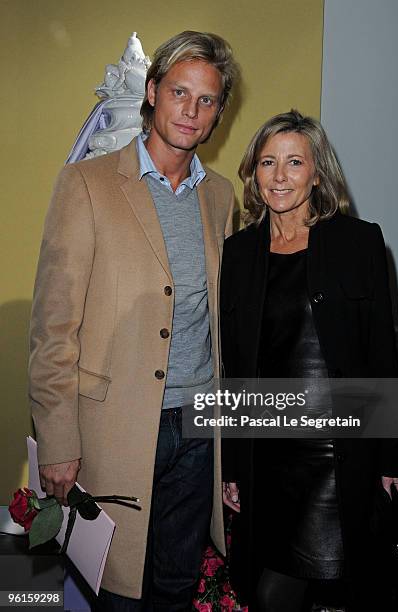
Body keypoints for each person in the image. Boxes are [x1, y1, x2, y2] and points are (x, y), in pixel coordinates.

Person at [29, 31, 238, 611]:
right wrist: (58, 441)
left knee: (175, 588)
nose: (192, 111)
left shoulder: (221, 198)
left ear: (220, 111)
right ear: (152, 91)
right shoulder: (87, 186)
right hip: (115, 431)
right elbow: (53, 330)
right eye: (179, 92)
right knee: (117, 594)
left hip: (200, 428)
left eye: (207, 100)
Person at [220, 110, 398, 612]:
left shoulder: (358, 241)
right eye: (268, 162)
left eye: (294, 162)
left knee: (313, 589)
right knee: (266, 589)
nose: (280, 176)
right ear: (254, 172)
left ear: (317, 172)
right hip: (270, 458)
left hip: (336, 454)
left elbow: (382, 356)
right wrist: (233, 467)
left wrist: (394, 457)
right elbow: (236, 370)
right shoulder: (238, 254)